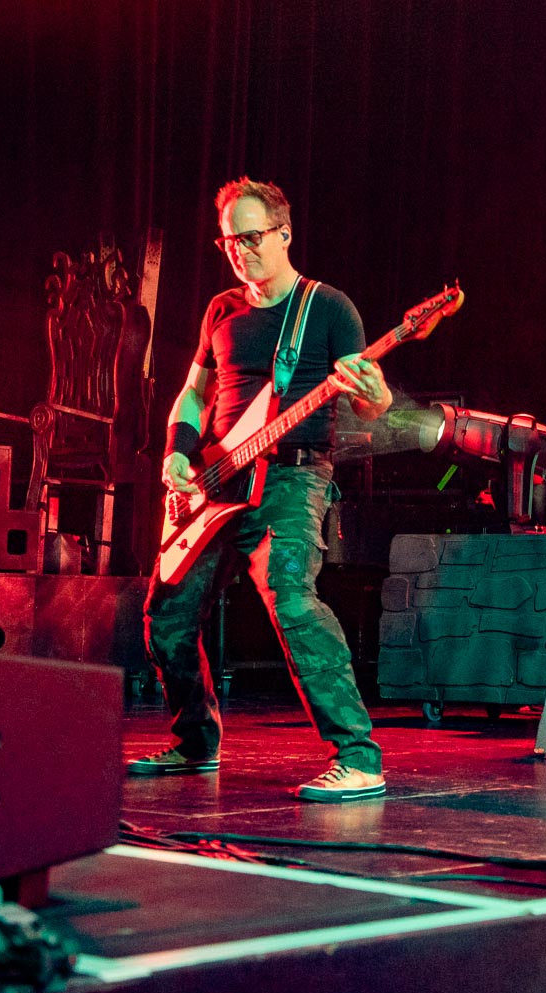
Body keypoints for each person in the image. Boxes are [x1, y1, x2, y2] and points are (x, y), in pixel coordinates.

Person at [130, 177, 393, 802]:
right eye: (228, 242)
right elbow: (194, 392)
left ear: (284, 233)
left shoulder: (328, 308)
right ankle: (196, 742)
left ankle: (359, 758)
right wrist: (177, 453)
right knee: (166, 613)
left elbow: (371, 404)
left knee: (292, 599)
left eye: (250, 238)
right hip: (215, 481)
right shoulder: (221, 309)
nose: (239, 251)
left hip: (292, 476)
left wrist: (374, 391)